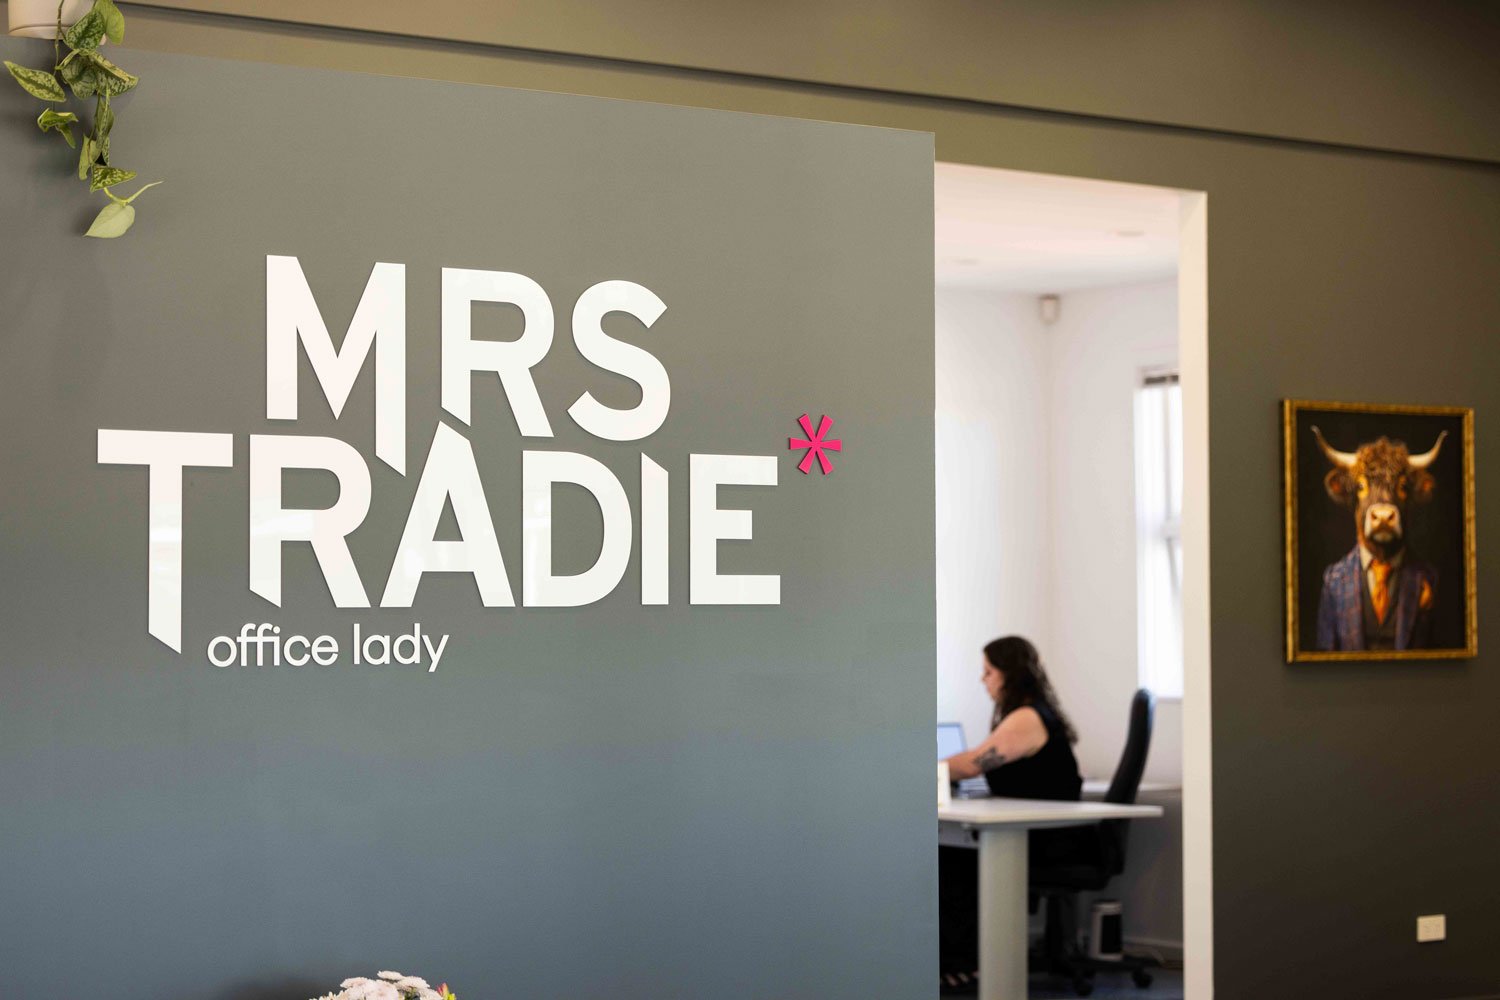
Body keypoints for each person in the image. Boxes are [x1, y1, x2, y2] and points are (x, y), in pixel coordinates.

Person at [937, 636, 1083, 995]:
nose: (983, 680)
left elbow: (972, 764)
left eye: (988, 672)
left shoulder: (1027, 717)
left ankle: (963, 964)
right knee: (950, 852)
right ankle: (960, 961)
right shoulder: (1030, 713)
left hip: (1048, 840)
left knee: (949, 857)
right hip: (1037, 831)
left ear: (1010, 674)